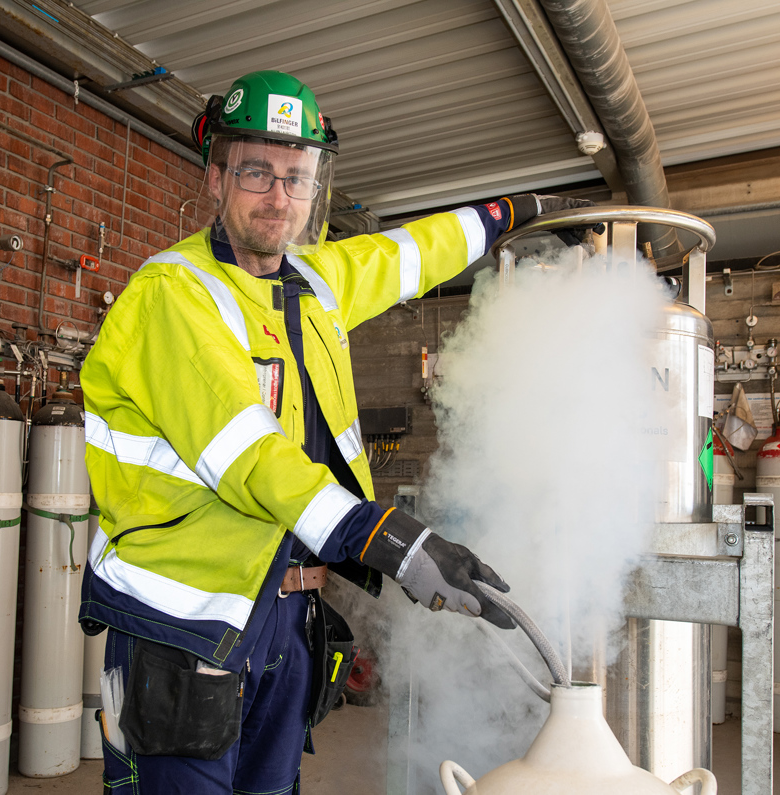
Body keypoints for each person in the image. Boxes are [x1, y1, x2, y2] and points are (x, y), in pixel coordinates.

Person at [79, 70, 590, 795]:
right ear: (216, 176)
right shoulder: (173, 294)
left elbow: (411, 253)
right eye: (256, 171)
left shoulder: (312, 283)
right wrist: (387, 536)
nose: (278, 197)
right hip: (181, 626)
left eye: (298, 175)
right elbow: (249, 455)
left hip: (285, 617)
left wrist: (514, 212)